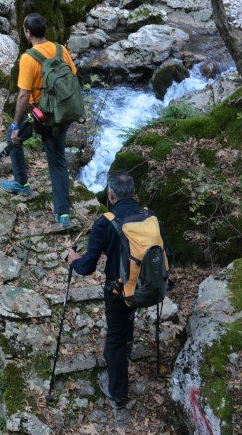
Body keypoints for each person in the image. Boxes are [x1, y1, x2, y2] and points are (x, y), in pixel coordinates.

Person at [65, 170, 171, 411]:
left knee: (114, 338)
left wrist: (73, 259)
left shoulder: (105, 222)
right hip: (149, 286)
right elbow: (168, 253)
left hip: (118, 291)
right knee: (128, 315)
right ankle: (130, 346)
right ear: (134, 193)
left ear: (110, 195)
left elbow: (87, 267)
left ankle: (118, 393)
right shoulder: (150, 217)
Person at [1, 13, 77, 227]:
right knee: (57, 162)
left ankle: (21, 182)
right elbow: (72, 76)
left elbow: (24, 95)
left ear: (27, 33)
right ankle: (63, 214)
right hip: (62, 113)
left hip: (39, 115)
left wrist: (16, 124)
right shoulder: (61, 50)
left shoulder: (28, 58)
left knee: (13, 137)